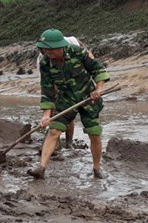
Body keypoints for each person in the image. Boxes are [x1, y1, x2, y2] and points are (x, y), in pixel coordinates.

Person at [28, 29, 110, 180]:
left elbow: (98, 69)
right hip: (65, 98)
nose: (46, 52)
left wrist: (98, 89)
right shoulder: (45, 62)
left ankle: (97, 169)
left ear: (59, 46)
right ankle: (41, 168)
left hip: (88, 97)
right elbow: (47, 90)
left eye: (49, 48)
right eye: (44, 48)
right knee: (53, 131)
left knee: (94, 133)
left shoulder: (77, 52)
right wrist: (46, 115)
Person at [36, 36, 93, 149]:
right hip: (59, 84)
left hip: (79, 80)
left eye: (48, 50)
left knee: (70, 115)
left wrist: (89, 57)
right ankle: (55, 143)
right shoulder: (42, 61)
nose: (46, 53)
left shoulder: (70, 42)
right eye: (43, 51)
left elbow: (86, 52)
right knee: (56, 114)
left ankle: (69, 142)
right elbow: (47, 84)